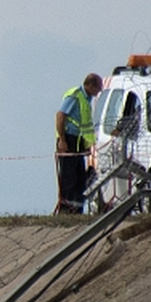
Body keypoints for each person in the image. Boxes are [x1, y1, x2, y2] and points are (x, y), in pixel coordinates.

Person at [54, 73, 103, 214]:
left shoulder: (86, 100)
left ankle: (77, 209)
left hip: (78, 142)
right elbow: (60, 115)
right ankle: (67, 210)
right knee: (69, 178)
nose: (98, 92)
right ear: (90, 85)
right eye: (98, 88)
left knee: (80, 178)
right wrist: (62, 140)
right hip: (68, 139)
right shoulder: (75, 96)